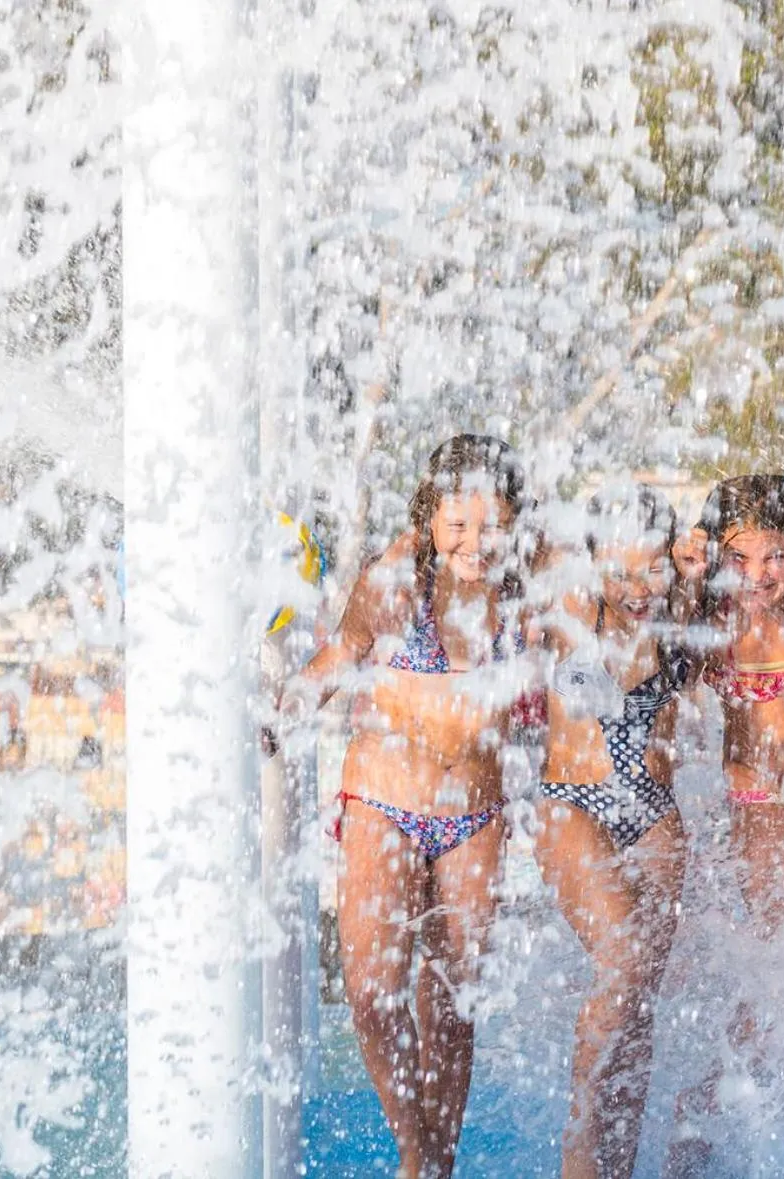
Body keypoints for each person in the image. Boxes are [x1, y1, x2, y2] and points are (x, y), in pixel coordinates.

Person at [265, 434, 533, 1179]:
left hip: (473, 814)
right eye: (459, 523)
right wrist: (280, 710)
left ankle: (434, 1166)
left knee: (450, 1002)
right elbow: (340, 656)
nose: (476, 542)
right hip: (385, 795)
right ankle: (417, 1148)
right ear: (431, 514)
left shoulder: (527, 585)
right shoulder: (396, 575)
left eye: (492, 524)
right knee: (373, 988)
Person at [666, 474, 784, 1177]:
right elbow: (670, 654)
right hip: (764, 810)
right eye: (738, 559)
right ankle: (703, 1105)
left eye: (772, 556)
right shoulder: (720, 630)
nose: (757, 575)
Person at [535, 484, 692, 1179]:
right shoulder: (572, 605)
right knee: (623, 961)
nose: (639, 588)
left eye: (653, 568)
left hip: (652, 811)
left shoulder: (686, 613)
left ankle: (618, 1165)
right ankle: (581, 1139)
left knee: (640, 1001)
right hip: (574, 802)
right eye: (622, 571)